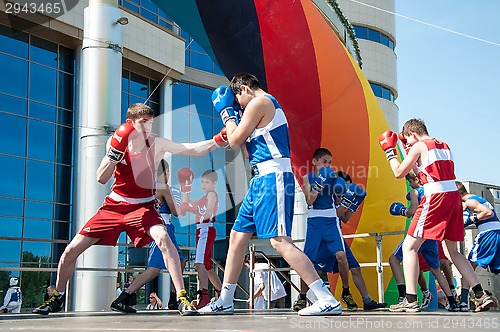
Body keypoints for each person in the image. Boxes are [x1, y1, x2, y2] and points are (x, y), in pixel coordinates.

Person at [33, 103, 227, 316]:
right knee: (71, 250)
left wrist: (218, 140)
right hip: (114, 207)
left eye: (150, 122)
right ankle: (58, 296)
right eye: (143, 122)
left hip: (142, 207)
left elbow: (190, 149)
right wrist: (114, 154)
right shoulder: (115, 142)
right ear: (130, 123)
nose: (147, 127)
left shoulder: (157, 144)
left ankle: (181, 297)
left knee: (164, 238)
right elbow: (101, 177)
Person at [198, 73, 341, 316]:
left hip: (273, 177)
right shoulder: (255, 110)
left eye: (237, 99)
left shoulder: (261, 102)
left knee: (279, 241)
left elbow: (233, 140)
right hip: (259, 179)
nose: (238, 105)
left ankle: (326, 297)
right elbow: (244, 151)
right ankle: (225, 299)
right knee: (237, 237)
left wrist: (226, 114)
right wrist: (236, 121)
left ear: (244, 89)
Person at [379, 118, 494, 312]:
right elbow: (424, 174)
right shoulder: (443, 145)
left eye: (408, 141)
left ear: (412, 135)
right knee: (453, 252)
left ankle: (411, 299)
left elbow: (399, 172)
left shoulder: (419, 146)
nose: (408, 145)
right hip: (453, 198)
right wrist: (410, 154)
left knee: (409, 247)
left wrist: (390, 152)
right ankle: (481, 294)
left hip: (436, 197)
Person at [294, 170, 386, 312]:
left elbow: (345, 218)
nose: (346, 191)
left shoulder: (343, 194)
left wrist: (354, 203)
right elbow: (335, 213)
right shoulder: (330, 193)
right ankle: (303, 297)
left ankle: (365, 299)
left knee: (354, 267)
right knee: (316, 269)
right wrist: (348, 199)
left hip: (336, 236)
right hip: (324, 235)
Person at [111, 159, 187, 313]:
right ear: (165, 173)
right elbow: (176, 211)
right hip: (163, 228)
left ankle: (175, 297)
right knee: (153, 268)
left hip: (159, 227)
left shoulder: (148, 188)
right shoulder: (163, 187)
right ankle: (124, 296)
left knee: (181, 261)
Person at [388, 171, 458, 311]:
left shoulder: (415, 192)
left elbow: (413, 211)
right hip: (431, 234)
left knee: (394, 259)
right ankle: (452, 301)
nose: (410, 184)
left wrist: (403, 211)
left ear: (417, 179)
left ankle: (404, 295)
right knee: (436, 270)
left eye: (410, 181)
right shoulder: (434, 190)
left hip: (419, 231)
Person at [178, 169, 222, 309]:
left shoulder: (212, 194)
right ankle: (222, 294)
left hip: (206, 229)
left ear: (214, 183)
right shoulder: (203, 197)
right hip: (202, 230)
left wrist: (192, 209)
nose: (204, 184)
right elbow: (186, 203)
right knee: (207, 266)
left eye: (207, 182)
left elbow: (208, 213)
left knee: (199, 263)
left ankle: (204, 295)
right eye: (202, 182)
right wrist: (186, 189)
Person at [456, 181, 500, 311]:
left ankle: (464, 301)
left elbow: (488, 213)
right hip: (496, 232)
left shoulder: (470, 201)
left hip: (488, 234)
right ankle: (472, 299)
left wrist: (470, 219)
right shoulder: (477, 198)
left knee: (469, 266)